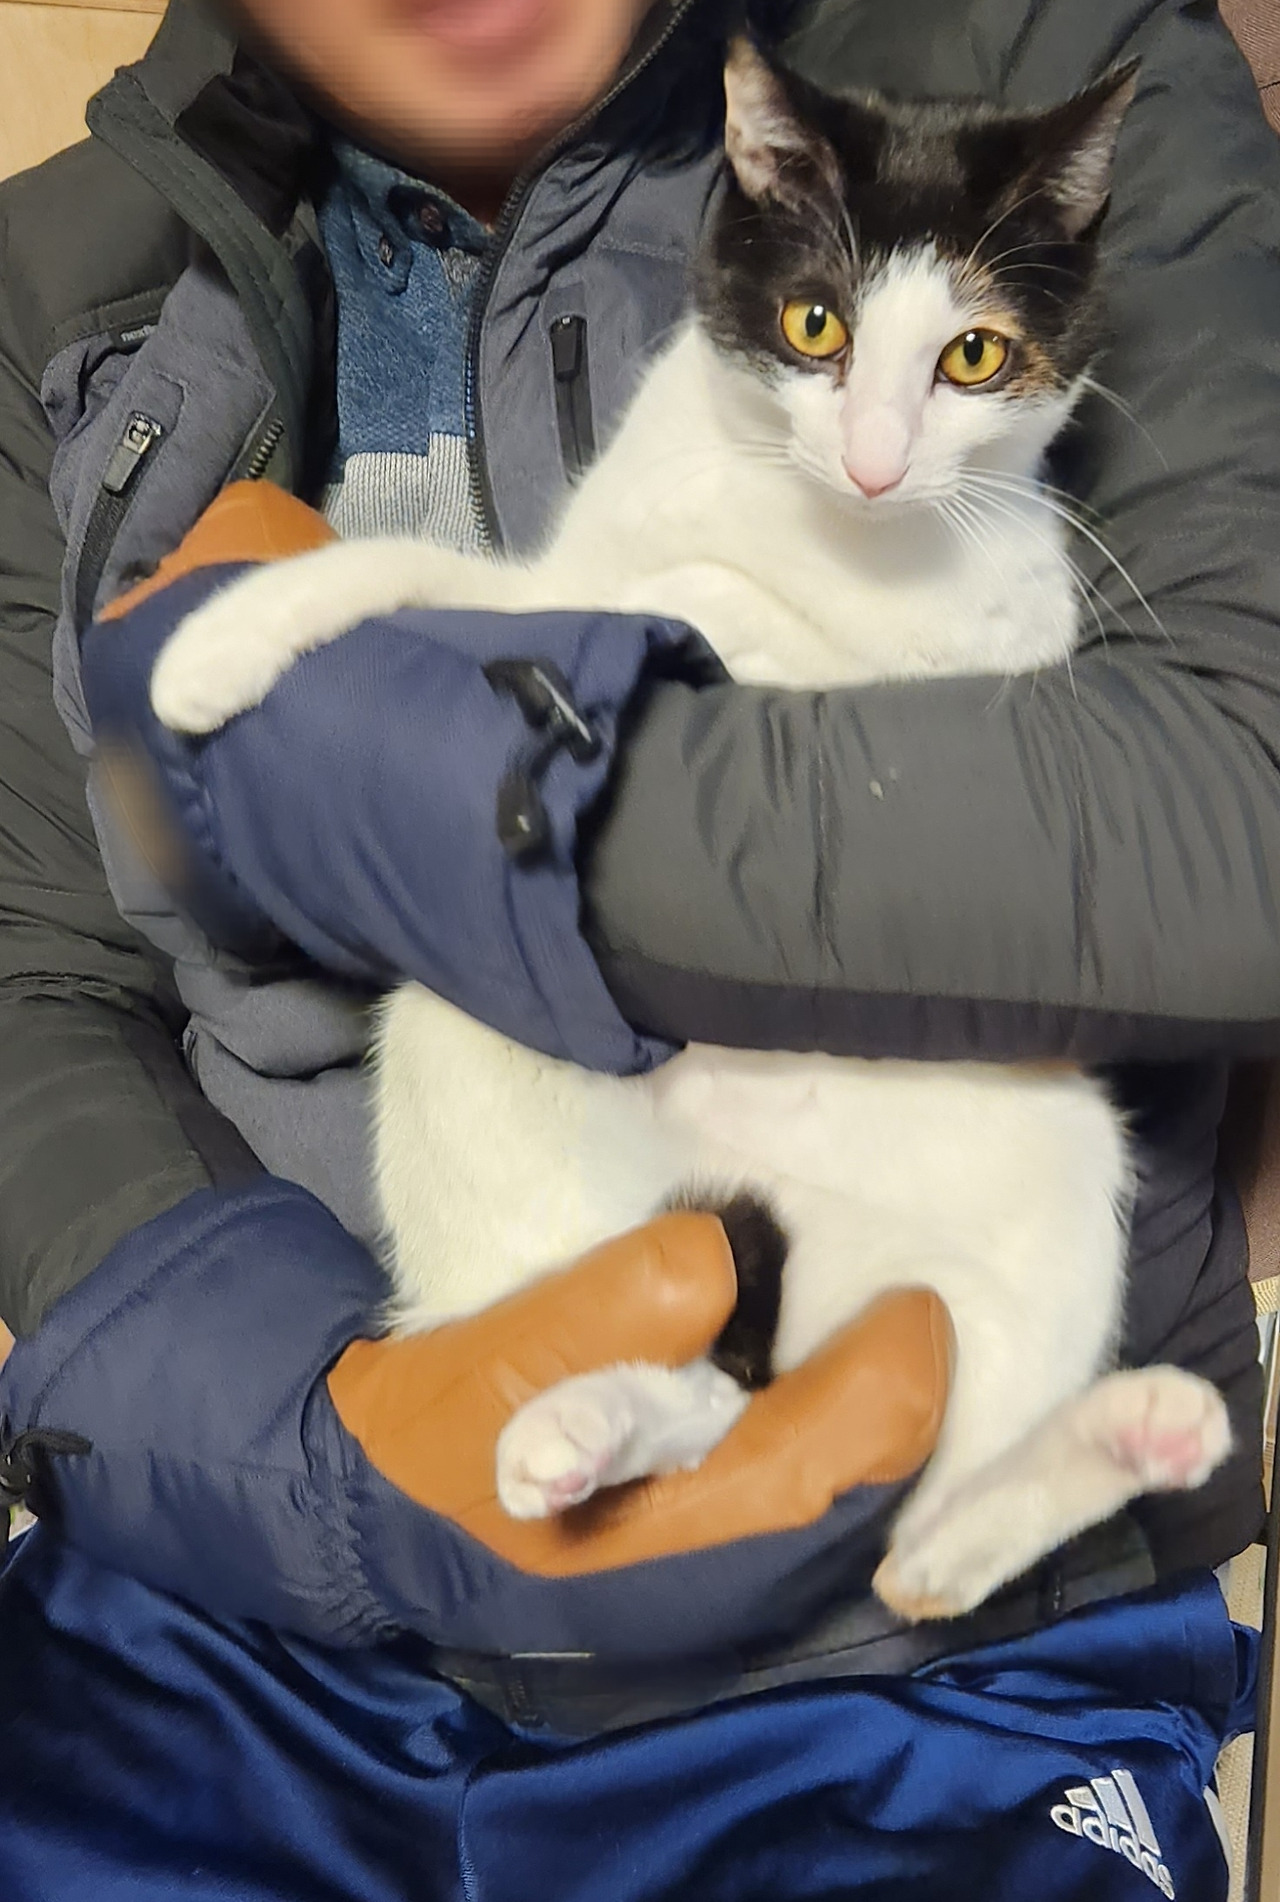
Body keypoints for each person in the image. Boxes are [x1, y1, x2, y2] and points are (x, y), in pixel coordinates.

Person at [0, 0, 1275, 1891]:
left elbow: (1240, 799)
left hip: (920, 1663)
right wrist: (328, 1461)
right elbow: (38, 988)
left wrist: (432, 782)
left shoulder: (1032, 48)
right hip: (247, 1606)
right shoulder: (58, 274)